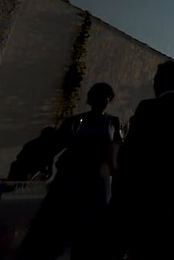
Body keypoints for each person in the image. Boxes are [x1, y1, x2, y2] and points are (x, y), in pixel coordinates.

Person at [17, 83, 122, 260]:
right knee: (53, 234)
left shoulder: (113, 122)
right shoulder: (75, 121)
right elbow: (55, 147)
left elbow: (116, 156)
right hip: (71, 182)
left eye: (106, 96)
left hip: (94, 185)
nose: (103, 100)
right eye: (100, 95)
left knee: (86, 238)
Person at [112, 60, 174, 260]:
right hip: (173, 195)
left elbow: (128, 152)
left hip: (142, 193)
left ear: (162, 80)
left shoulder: (148, 107)